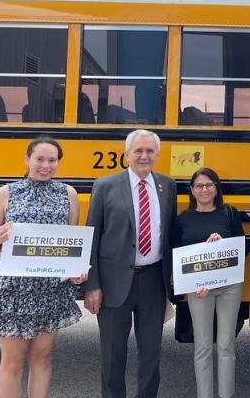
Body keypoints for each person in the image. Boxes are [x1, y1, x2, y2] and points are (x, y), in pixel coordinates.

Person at [0, 135, 86, 398]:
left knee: (43, 356)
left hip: (50, 289)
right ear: (27, 159)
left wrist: (76, 270)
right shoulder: (6, 193)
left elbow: (70, 240)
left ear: (58, 162)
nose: (45, 165)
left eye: (52, 160)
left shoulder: (68, 194)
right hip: (11, 289)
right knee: (12, 360)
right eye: (40, 159)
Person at [83, 129, 177, 398]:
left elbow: (169, 233)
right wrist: (93, 285)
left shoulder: (167, 186)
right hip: (114, 284)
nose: (144, 156)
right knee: (113, 357)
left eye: (149, 151)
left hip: (153, 282)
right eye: (138, 151)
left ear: (157, 155)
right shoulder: (105, 186)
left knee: (151, 356)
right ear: (127, 155)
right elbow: (92, 236)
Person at [170, 167, 246, 398]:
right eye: (199, 186)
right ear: (191, 190)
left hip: (228, 288)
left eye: (209, 185)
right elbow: (176, 254)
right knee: (202, 346)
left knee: (225, 345)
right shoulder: (182, 220)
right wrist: (188, 283)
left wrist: (220, 243)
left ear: (216, 189)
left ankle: (226, 395)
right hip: (198, 289)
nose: (204, 190)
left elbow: (238, 251)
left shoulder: (229, 215)